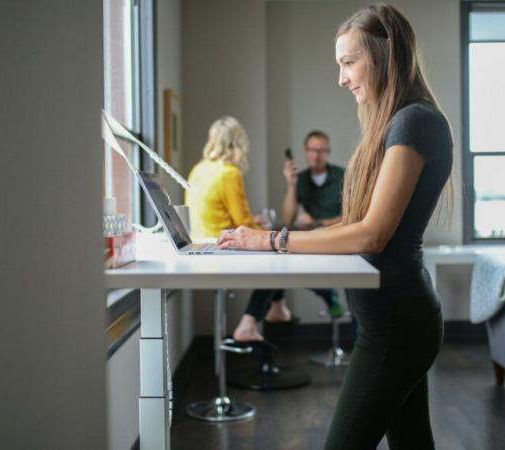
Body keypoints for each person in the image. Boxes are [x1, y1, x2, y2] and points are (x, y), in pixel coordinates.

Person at [217, 4, 453, 449]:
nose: (342, 77)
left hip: (397, 324)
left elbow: (372, 235)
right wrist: (267, 241)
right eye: (339, 64)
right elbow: (356, 223)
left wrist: (270, 239)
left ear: (385, 55)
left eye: (349, 62)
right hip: (391, 321)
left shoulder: (414, 122)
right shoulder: (400, 122)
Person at [185, 116, 293, 342]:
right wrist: (261, 229)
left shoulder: (199, 168)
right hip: (220, 246)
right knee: (278, 251)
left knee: (271, 239)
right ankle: (252, 321)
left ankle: (277, 307)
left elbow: (219, 214)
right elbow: (242, 220)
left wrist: (253, 223)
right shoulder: (229, 172)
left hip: (199, 241)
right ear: (239, 143)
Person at [282, 130, 346, 318]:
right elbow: (288, 219)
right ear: (304, 151)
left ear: (328, 152)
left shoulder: (343, 175)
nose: (316, 155)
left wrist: (318, 222)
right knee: (280, 261)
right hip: (312, 242)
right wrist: (291, 185)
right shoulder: (300, 179)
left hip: (339, 239)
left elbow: (353, 216)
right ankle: (328, 294)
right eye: (312, 150)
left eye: (321, 150)